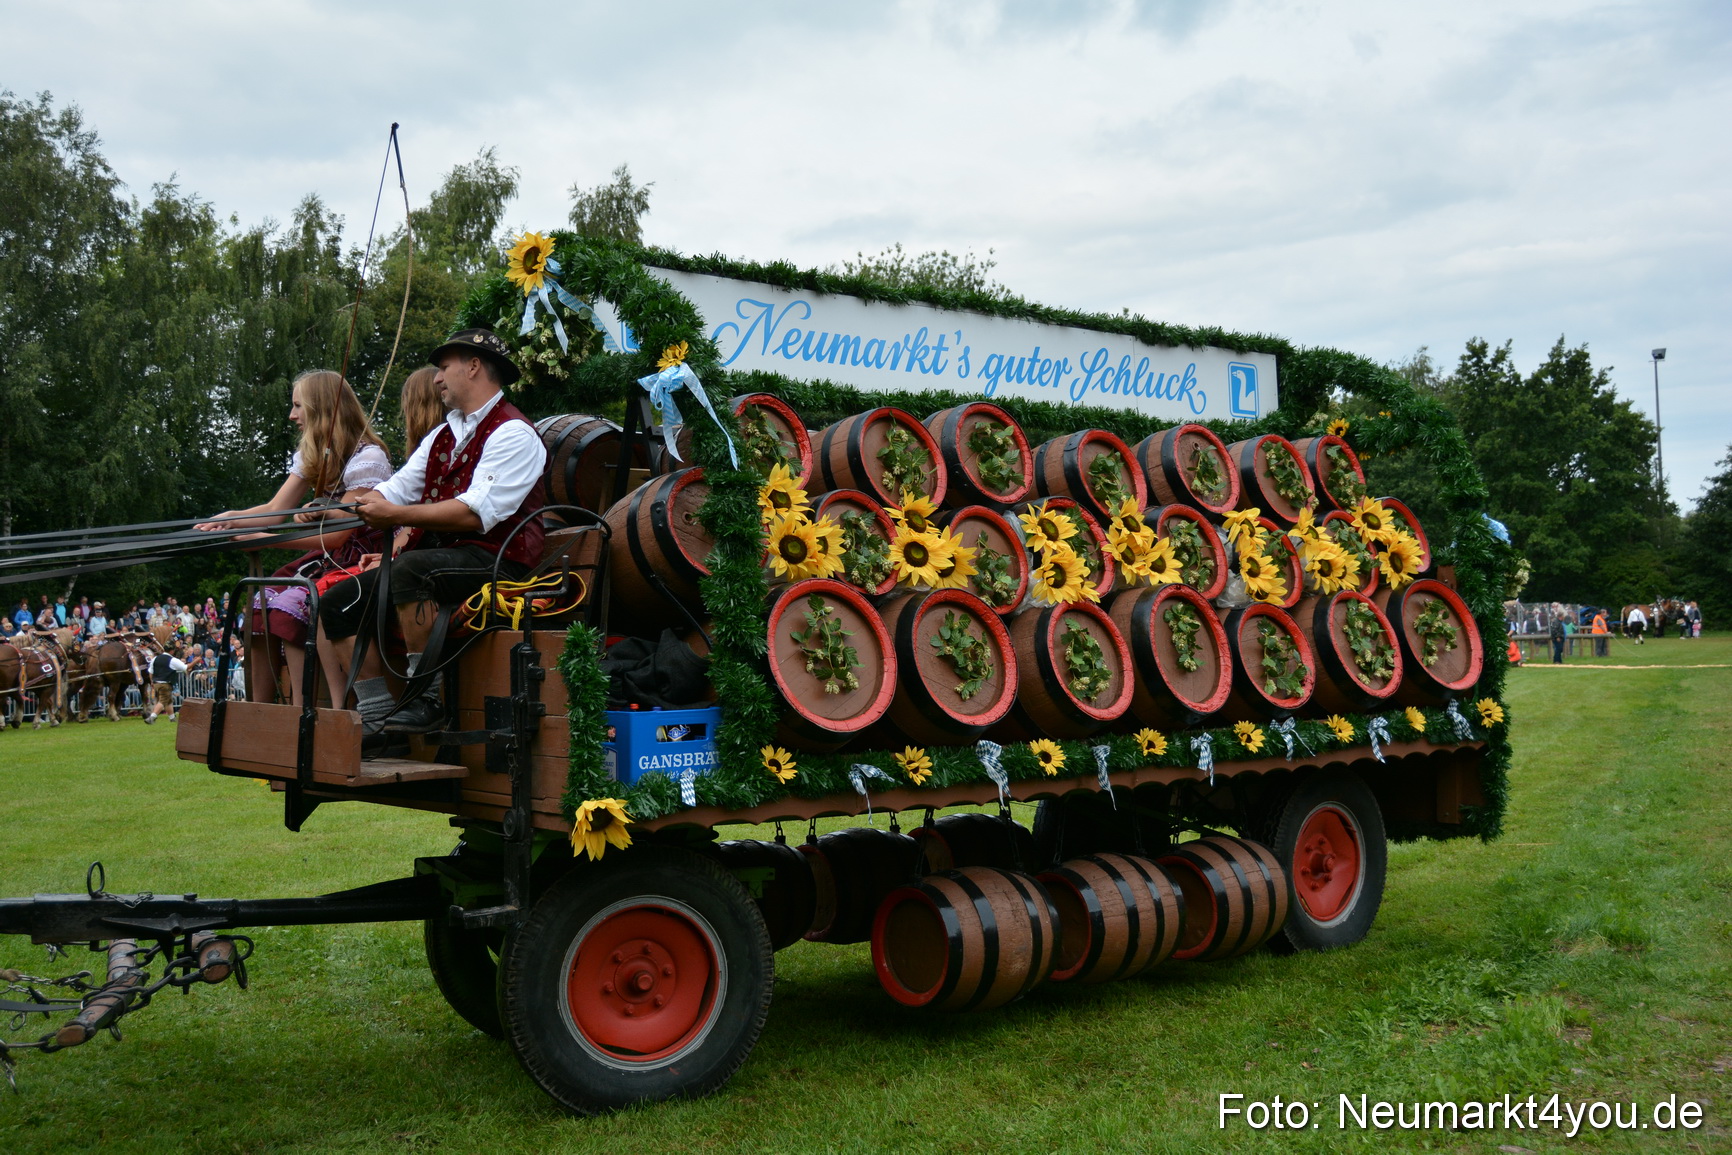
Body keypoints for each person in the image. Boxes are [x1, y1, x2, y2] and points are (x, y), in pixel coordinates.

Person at [317, 329, 546, 734]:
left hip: (499, 561)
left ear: (473, 366)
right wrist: (335, 512)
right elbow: (394, 489)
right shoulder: (444, 434)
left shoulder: (514, 432)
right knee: (338, 601)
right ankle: (376, 719)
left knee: (411, 570)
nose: (436, 378)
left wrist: (394, 513)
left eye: (443, 368)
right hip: (444, 560)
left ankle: (425, 700)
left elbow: (476, 514)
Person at [198, 370, 394, 706]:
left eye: (298, 406)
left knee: (292, 604)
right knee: (259, 601)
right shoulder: (315, 453)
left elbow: (338, 536)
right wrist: (235, 519)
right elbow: (275, 510)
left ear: (321, 410)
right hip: (327, 555)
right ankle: (260, 709)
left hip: (359, 557)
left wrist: (266, 539)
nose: (292, 416)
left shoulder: (368, 458)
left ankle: (316, 710)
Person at [148, 642, 188, 723]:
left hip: (156, 683)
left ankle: (172, 718)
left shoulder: (155, 658)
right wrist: (196, 661)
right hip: (165, 683)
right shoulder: (172, 660)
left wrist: (152, 681)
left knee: (168, 701)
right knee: (163, 700)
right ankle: (152, 717)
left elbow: (150, 672)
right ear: (172, 651)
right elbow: (185, 667)